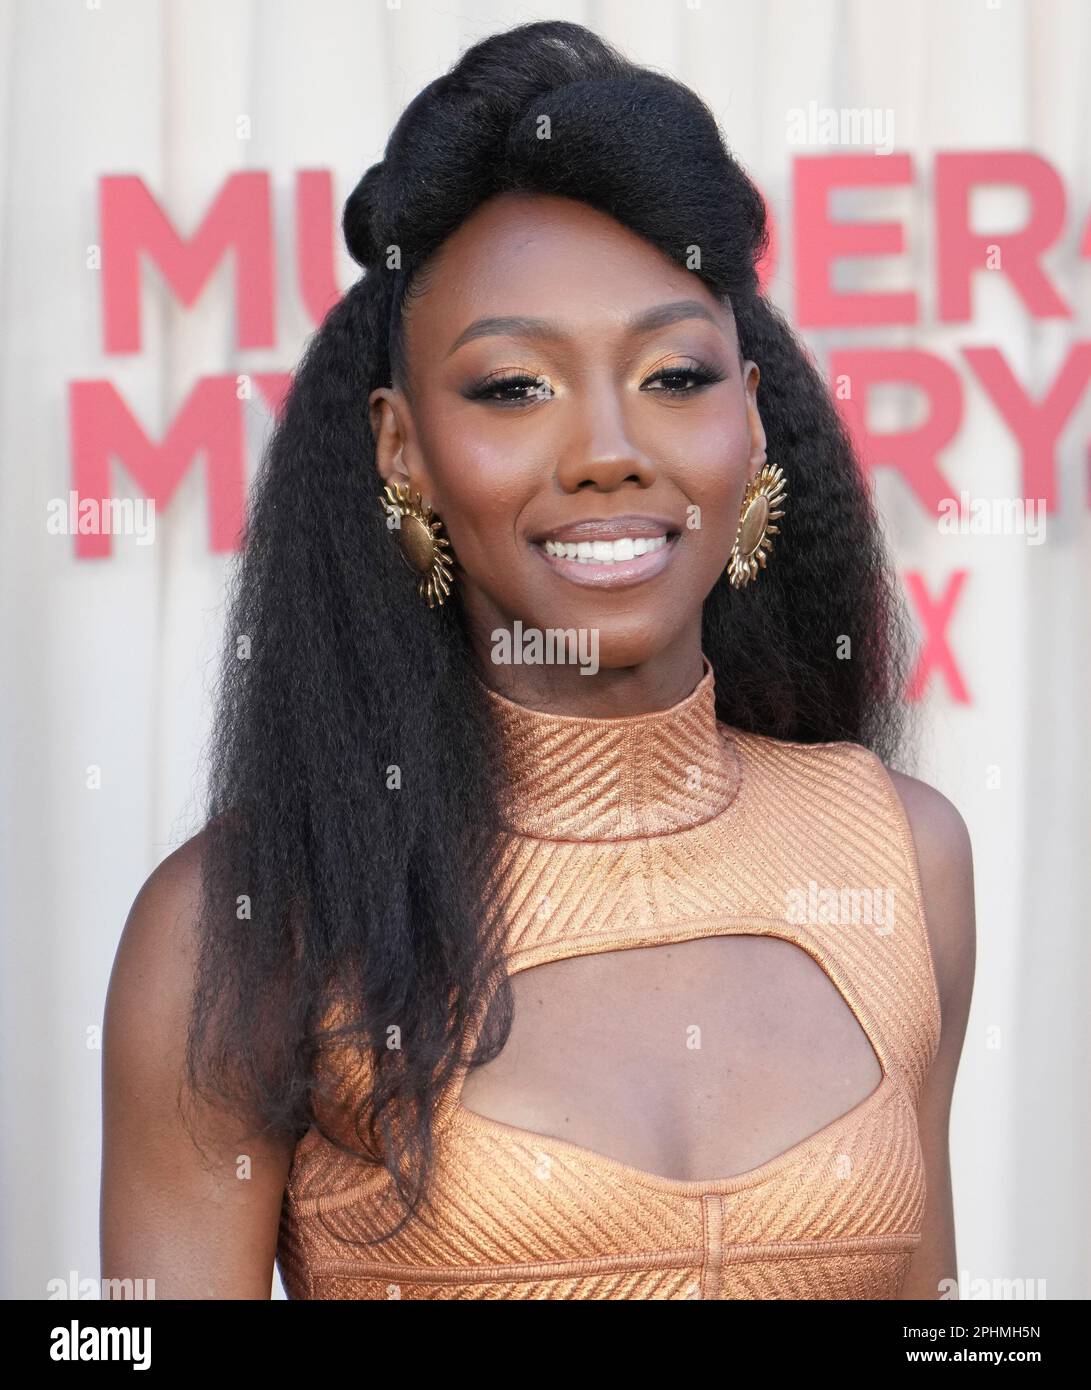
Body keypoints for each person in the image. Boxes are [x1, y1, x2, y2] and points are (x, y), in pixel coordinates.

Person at [100, 19, 975, 1300]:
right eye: (513, 388)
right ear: (401, 450)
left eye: (676, 373)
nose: (608, 449)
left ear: (750, 417)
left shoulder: (903, 857)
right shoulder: (242, 926)